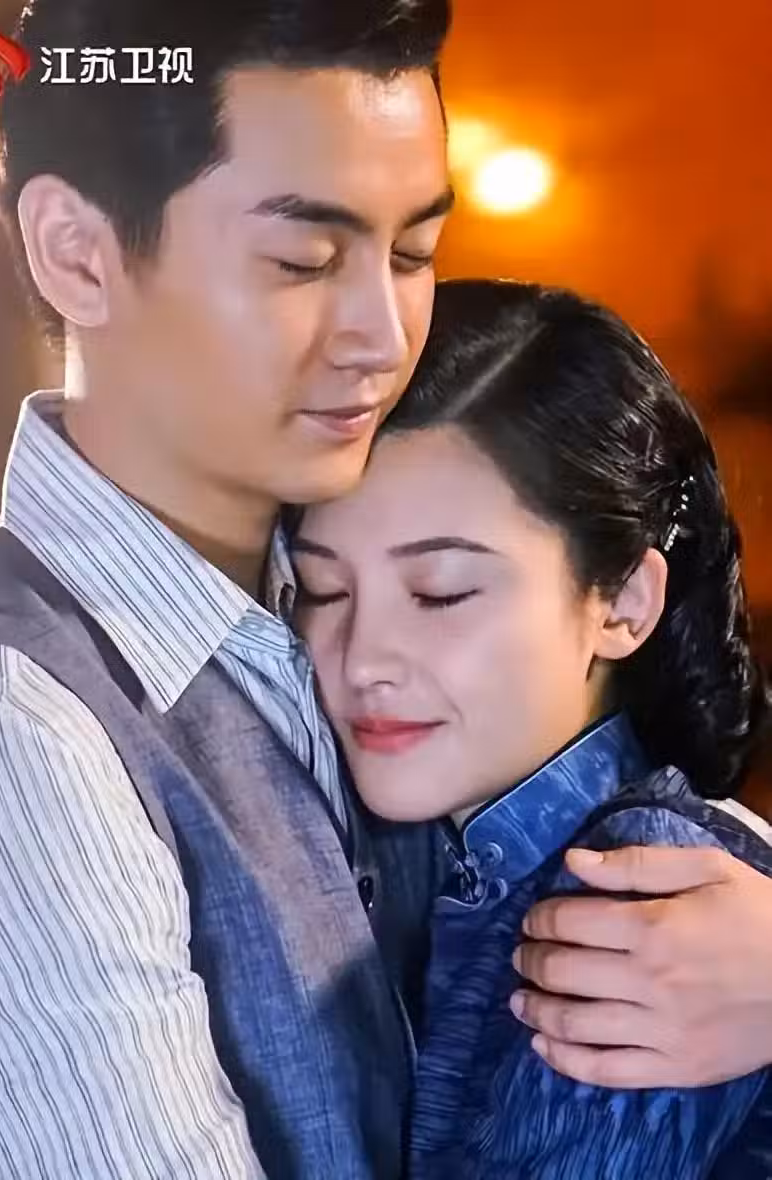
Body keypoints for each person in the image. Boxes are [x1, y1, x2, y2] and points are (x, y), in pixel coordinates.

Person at [0, 0, 772, 1176]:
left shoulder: (313, 616)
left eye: (413, 254)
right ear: (76, 252)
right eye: (304, 261)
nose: (382, 333)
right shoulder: (4, 710)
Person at [291, 278, 772, 1176]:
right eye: (321, 589)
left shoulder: (637, 898)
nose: (361, 659)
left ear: (623, 603)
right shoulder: (433, 861)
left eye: (440, 592)